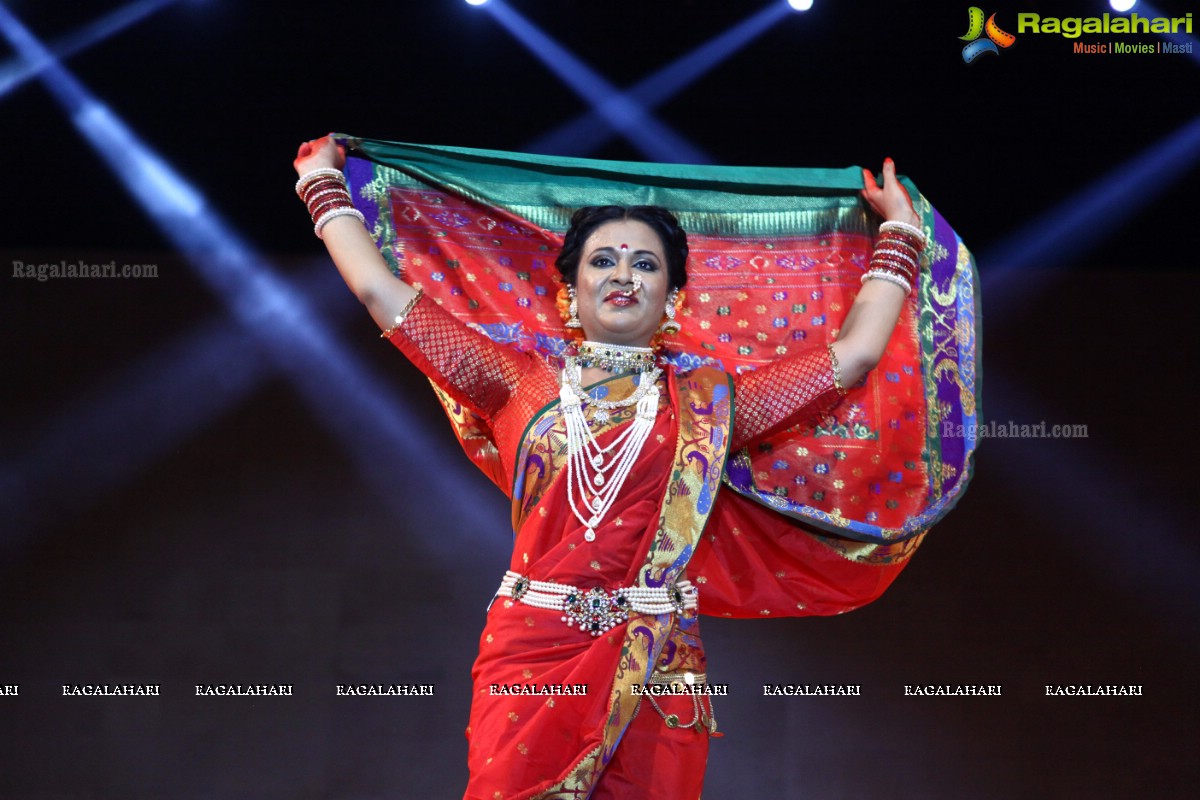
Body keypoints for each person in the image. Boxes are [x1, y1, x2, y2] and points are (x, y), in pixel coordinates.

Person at [294, 134, 930, 800]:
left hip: (656, 658)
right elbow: (380, 294)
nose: (623, 275)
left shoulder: (711, 405)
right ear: (570, 290)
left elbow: (851, 358)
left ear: (673, 298)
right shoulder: (515, 383)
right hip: (533, 652)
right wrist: (321, 185)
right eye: (603, 260)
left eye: (646, 265)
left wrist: (900, 236)